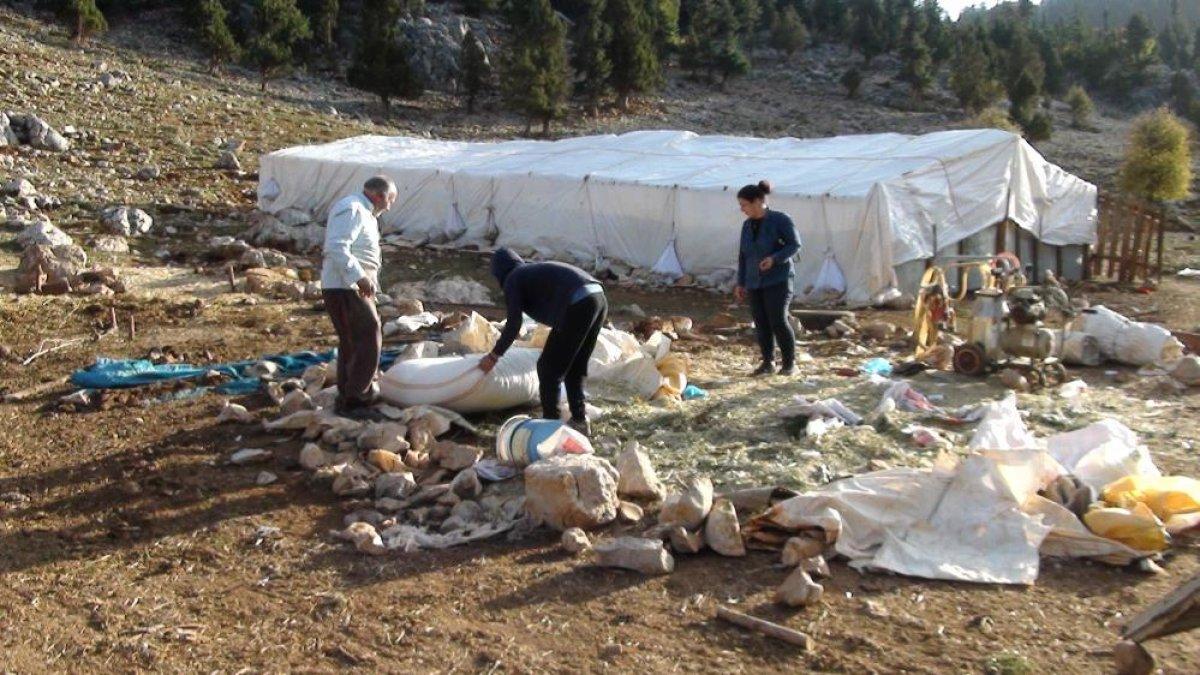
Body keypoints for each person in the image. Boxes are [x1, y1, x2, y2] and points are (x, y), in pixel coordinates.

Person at [480, 248, 606, 436]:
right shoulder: (529, 272)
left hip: (578, 303)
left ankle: (550, 425)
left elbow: (514, 324)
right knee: (574, 366)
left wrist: (494, 355)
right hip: (598, 297)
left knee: (548, 368)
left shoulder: (513, 279)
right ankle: (579, 420)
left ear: (499, 271)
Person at [321, 175, 397, 418]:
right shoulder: (352, 208)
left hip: (347, 285)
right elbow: (336, 246)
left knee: (352, 339)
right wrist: (359, 277)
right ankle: (357, 398)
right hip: (346, 286)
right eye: (391, 199)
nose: (390, 205)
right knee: (368, 334)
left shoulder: (364, 212)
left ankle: (347, 394)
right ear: (380, 195)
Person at [734, 180, 802, 376]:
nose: (742, 209)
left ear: (757, 201)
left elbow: (794, 245)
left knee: (778, 319)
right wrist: (741, 282)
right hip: (754, 280)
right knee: (761, 321)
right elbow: (743, 255)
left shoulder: (780, 220)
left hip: (778, 279)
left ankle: (789, 364)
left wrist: (775, 258)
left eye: (744, 205)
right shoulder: (747, 226)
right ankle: (767, 362)